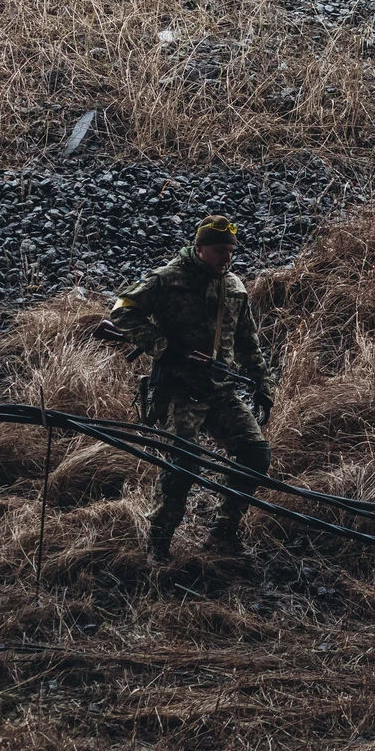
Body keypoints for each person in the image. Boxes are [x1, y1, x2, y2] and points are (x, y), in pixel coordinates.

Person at [108, 215, 275, 561]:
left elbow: (248, 342)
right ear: (199, 248)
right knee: (184, 464)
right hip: (178, 389)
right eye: (218, 250)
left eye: (230, 251)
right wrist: (165, 347)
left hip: (221, 390)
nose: (225, 258)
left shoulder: (235, 288)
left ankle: (223, 532)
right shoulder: (168, 279)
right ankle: (159, 542)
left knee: (255, 453)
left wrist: (262, 385)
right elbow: (123, 310)